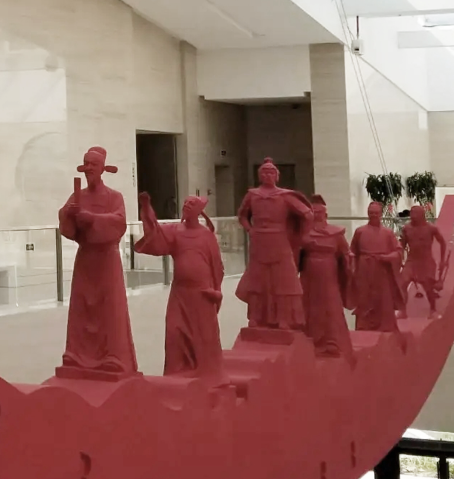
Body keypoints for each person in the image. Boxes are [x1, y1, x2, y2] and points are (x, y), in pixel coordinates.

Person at [57, 147, 138, 379]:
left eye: (94, 164)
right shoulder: (77, 196)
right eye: (86, 164)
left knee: (109, 307)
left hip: (107, 259)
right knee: (82, 306)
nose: (89, 168)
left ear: (103, 168)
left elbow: (119, 221)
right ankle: (77, 353)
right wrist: (68, 213)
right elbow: (67, 225)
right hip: (86, 258)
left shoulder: (114, 197)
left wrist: (92, 219)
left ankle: (112, 355)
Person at [135, 193, 224, 377]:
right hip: (180, 294)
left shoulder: (207, 236)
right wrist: (147, 209)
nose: (187, 206)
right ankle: (177, 371)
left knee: (203, 335)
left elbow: (217, 267)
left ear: (199, 211)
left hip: (202, 294)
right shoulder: (176, 231)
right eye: (186, 203)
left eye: (192, 204)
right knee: (175, 332)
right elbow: (156, 235)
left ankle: (205, 373)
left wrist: (216, 292)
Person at [235, 158, 313, 330]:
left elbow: (307, 214)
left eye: (271, 172)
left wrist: (302, 236)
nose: (268, 175)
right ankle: (255, 317)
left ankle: (283, 318)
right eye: (264, 172)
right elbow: (242, 215)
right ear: (259, 175)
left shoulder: (284, 196)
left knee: (283, 281)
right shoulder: (253, 195)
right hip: (259, 242)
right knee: (257, 280)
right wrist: (250, 229)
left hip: (279, 241)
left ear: (277, 176)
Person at [298, 195, 353, 358]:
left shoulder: (336, 234)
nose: (317, 215)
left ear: (326, 214)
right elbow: (295, 254)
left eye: (320, 212)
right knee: (309, 307)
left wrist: (349, 265)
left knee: (330, 307)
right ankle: (311, 341)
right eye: (314, 212)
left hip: (329, 275)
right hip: (309, 276)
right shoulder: (303, 233)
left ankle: (332, 342)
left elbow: (345, 253)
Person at [350, 201, 405, 332]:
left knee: (383, 298)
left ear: (380, 214)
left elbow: (398, 251)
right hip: (364, 269)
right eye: (371, 212)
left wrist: (387, 257)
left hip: (381, 270)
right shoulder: (360, 231)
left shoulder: (388, 233)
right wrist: (351, 267)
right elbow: (352, 251)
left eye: (376, 213)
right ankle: (363, 325)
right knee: (364, 298)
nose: (373, 215)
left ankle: (385, 326)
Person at [401, 205, 447, 315]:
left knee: (428, 287)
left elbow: (442, 242)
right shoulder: (406, 228)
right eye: (412, 213)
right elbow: (402, 245)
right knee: (402, 284)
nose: (413, 216)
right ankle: (403, 311)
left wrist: (442, 260)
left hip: (426, 261)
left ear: (422, 215)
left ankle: (433, 309)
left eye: (416, 214)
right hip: (411, 261)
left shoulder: (431, 228)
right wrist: (400, 258)